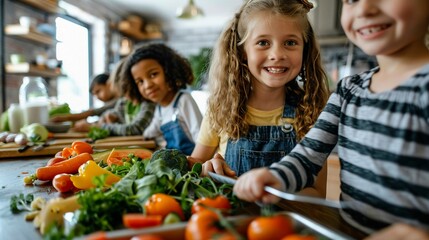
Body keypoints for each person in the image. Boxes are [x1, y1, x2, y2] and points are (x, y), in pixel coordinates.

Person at [234, 0, 429, 236]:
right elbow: (307, 157)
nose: (364, 9)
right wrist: (275, 175)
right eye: (351, 0)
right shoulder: (349, 90)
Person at [187, 0, 330, 197]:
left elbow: (318, 192)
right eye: (263, 42)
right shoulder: (220, 109)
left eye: (290, 42)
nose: (277, 54)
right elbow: (192, 173)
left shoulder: (313, 113)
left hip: (287, 224)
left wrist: (273, 193)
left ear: (304, 50)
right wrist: (207, 169)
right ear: (242, 52)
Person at [122, 43, 202, 155]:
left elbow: (201, 139)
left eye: (153, 74)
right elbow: (150, 132)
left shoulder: (183, 100)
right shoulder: (159, 108)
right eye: (140, 82)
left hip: (193, 166)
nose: (147, 85)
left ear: (170, 71)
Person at [73, 57, 156, 136]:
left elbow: (134, 129)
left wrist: (96, 126)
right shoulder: (124, 101)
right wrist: (107, 116)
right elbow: (113, 114)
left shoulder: (148, 103)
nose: (123, 95)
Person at [50, 73, 118, 123]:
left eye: (98, 91)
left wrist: (65, 118)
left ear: (109, 84)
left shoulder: (119, 101)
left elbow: (92, 112)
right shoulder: (110, 103)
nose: (97, 97)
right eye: (95, 95)